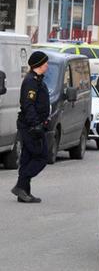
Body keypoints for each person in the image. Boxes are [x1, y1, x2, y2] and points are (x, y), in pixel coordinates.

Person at [11, 51, 50, 203]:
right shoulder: (31, 82)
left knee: (27, 157)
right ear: (39, 65)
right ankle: (21, 186)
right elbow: (28, 105)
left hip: (35, 124)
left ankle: (24, 192)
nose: (47, 64)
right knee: (41, 157)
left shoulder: (37, 80)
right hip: (31, 126)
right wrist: (36, 124)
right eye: (45, 62)